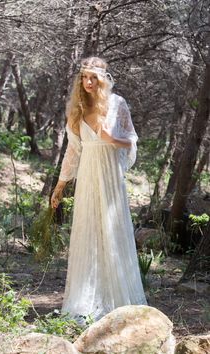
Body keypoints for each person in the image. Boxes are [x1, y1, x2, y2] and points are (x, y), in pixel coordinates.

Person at [51, 57, 147, 322]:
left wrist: (111, 139)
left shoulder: (117, 105)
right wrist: (60, 186)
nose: (89, 82)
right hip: (89, 176)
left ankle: (117, 300)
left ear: (104, 79)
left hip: (111, 176)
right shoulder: (77, 109)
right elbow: (73, 150)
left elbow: (131, 142)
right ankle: (85, 303)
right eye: (84, 77)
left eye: (94, 77)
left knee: (112, 232)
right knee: (88, 231)